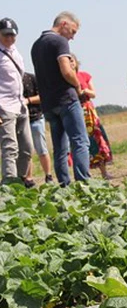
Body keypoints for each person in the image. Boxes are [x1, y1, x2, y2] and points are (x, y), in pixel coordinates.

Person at [30, 12, 90, 185]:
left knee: (60, 148)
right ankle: (83, 183)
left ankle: (64, 184)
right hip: (66, 99)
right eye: (72, 31)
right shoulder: (59, 41)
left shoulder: (36, 45)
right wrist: (78, 86)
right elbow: (65, 71)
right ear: (63, 24)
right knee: (80, 142)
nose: (72, 37)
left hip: (48, 104)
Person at [0, 18, 34, 186]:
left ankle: (18, 180)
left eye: (13, 35)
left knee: (27, 147)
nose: (10, 38)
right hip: (3, 106)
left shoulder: (15, 52)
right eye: (6, 35)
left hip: (20, 105)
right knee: (10, 147)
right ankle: (9, 185)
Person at [71, 55, 113, 179]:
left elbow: (93, 93)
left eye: (72, 61)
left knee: (97, 139)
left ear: (76, 62)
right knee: (80, 142)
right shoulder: (65, 78)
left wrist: (84, 91)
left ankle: (104, 172)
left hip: (88, 111)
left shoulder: (84, 75)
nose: (71, 64)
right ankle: (84, 175)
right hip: (75, 110)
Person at [22, 72, 54, 184]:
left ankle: (48, 175)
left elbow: (42, 96)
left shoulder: (31, 78)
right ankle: (29, 178)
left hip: (35, 117)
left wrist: (28, 100)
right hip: (21, 120)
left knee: (41, 148)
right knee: (27, 150)